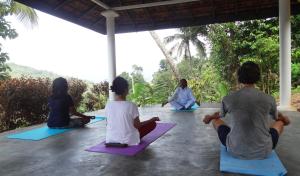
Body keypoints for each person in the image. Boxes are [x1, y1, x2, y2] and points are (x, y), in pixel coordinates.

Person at [203, 61, 290, 160]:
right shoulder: (269, 99)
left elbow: (219, 115)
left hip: (234, 150)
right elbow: (277, 117)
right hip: (264, 151)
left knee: (216, 121)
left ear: (240, 77)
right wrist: (284, 119)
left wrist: (209, 118)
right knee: (279, 123)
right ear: (258, 77)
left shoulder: (228, 98)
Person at [105, 76, 160, 146]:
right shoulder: (131, 105)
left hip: (110, 140)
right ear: (125, 90)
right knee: (152, 123)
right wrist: (152, 119)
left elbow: (108, 124)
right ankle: (136, 137)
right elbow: (137, 125)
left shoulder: (108, 105)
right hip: (128, 141)